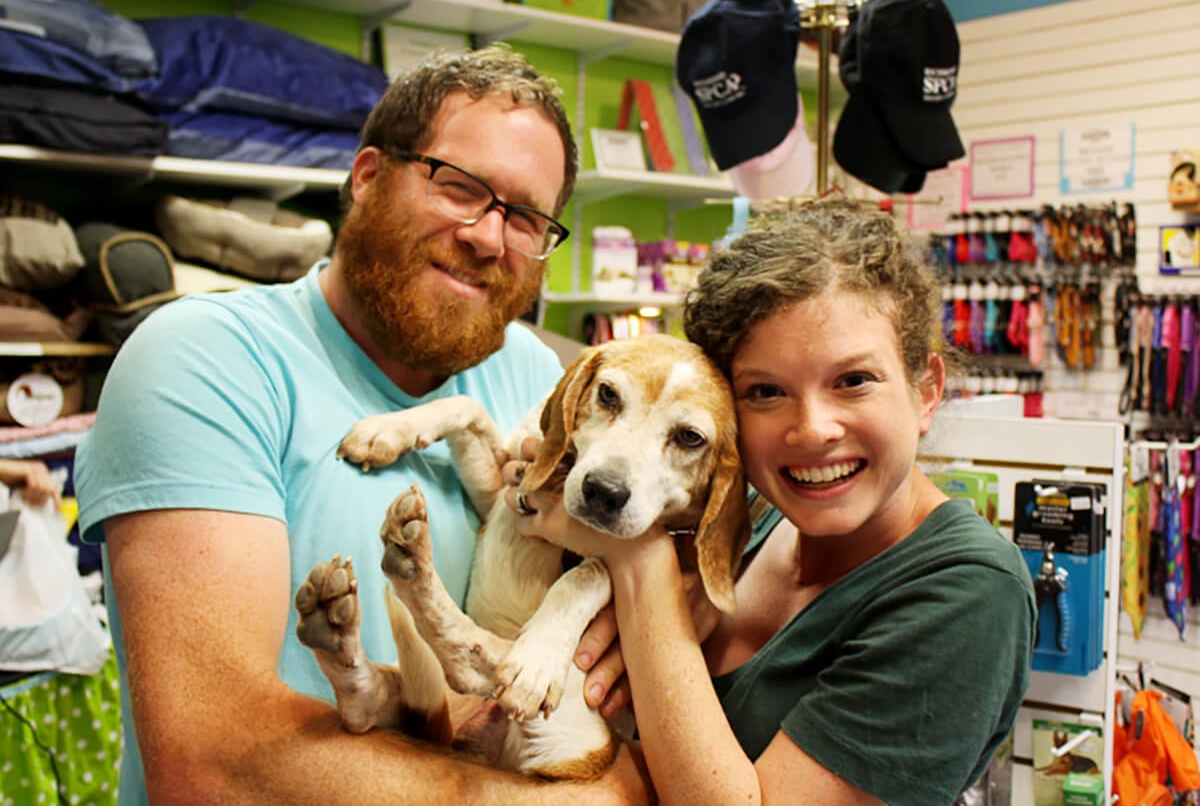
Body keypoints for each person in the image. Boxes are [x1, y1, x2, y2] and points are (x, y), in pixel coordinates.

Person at [74, 45, 651, 806]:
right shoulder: (204, 360)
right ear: (368, 176)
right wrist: (585, 798)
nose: (487, 235)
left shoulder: (538, 379)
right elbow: (215, 764)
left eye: (526, 216)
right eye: (460, 187)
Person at [510, 196, 1036, 806]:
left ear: (926, 390)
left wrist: (638, 560)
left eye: (853, 381)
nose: (812, 429)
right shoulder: (750, 519)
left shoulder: (969, 595)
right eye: (765, 391)